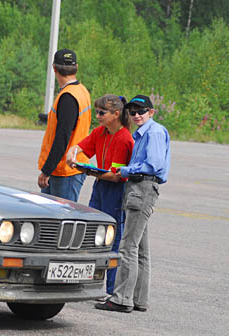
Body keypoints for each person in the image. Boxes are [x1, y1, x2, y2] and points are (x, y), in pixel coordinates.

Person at [95, 94, 171, 313]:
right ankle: (138, 298)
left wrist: (128, 170)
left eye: (141, 111)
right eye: (133, 111)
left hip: (142, 188)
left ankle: (121, 298)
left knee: (127, 246)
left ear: (151, 112)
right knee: (140, 248)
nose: (136, 115)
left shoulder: (153, 132)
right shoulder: (142, 133)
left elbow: (153, 164)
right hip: (141, 188)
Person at [66, 94, 134, 296]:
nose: (98, 116)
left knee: (112, 237)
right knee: (92, 233)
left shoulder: (124, 138)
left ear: (115, 114)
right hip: (100, 185)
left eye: (101, 113)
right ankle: (89, 283)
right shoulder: (101, 132)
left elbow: (115, 176)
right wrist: (73, 151)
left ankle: (112, 290)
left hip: (115, 189)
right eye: (96, 112)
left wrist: (88, 170)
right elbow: (83, 145)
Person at [37, 49, 92, 202]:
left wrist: (47, 170)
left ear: (54, 68)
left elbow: (63, 137)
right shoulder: (81, 91)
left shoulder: (68, 97)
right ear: (76, 67)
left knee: (60, 220)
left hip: (64, 170)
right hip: (73, 165)